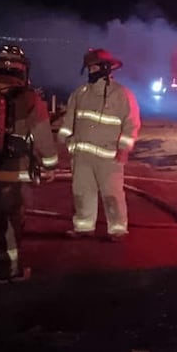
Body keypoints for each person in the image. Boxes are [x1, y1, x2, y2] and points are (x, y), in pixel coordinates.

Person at [0, 45, 59, 283]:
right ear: (22, 69)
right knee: (10, 222)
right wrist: (48, 166)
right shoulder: (30, 99)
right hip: (12, 173)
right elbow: (43, 139)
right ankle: (10, 271)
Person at [57, 48, 141, 241]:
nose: (91, 71)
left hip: (109, 157)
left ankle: (118, 229)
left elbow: (131, 124)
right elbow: (69, 120)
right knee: (82, 193)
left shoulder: (122, 94)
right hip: (81, 157)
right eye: (89, 67)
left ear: (104, 67)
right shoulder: (80, 93)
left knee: (112, 194)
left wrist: (124, 149)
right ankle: (83, 227)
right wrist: (64, 140)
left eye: (94, 66)